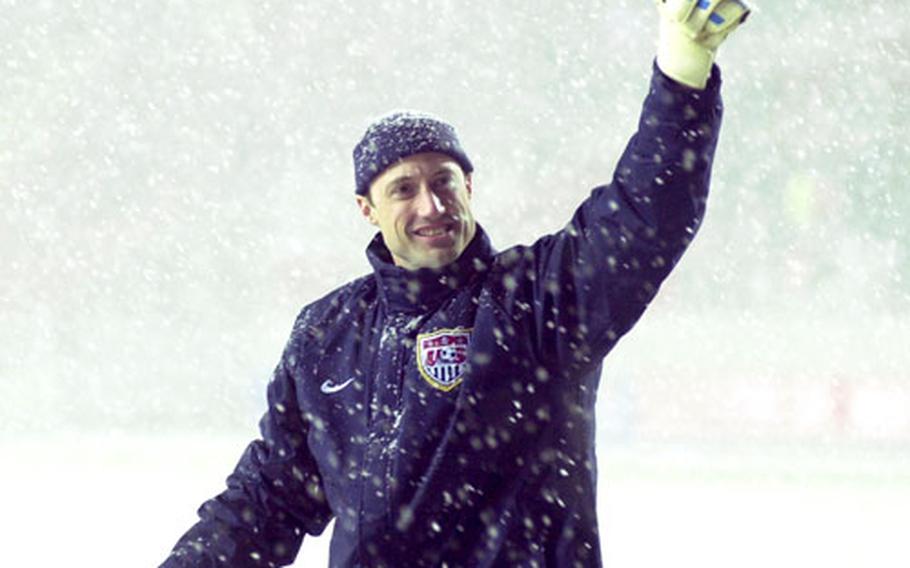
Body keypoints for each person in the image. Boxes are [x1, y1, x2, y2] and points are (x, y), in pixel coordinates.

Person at [161, 2, 749, 566]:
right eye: (403, 188)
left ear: (469, 184)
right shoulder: (326, 332)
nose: (431, 204)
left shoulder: (534, 300)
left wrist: (682, 74)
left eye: (444, 181)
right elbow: (266, 501)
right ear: (366, 208)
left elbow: (646, 218)